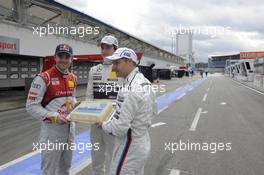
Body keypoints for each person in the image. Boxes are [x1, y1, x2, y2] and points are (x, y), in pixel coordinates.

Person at [97, 47, 157, 175]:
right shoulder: (145, 82)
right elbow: (153, 111)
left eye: (117, 63)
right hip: (142, 142)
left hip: (129, 147)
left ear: (129, 62)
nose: (113, 67)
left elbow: (119, 128)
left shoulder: (128, 89)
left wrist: (103, 124)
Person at [26, 44, 78, 175]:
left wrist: (77, 105)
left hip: (70, 130)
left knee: (65, 168)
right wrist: (53, 116)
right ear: (55, 57)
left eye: (67, 57)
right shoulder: (44, 78)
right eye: (61, 56)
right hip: (52, 133)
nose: (64, 60)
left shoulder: (73, 77)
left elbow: (72, 99)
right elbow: (31, 106)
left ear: (71, 59)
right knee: (49, 171)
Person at [86, 35, 122, 175]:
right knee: (96, 158)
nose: (104, 50)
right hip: (96, 122)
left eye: (108, 47)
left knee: (115, 158)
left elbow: (124, 99)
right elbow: (89, 96)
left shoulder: (121, 70)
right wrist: (91, 116)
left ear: (115, 49)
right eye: (102, 47)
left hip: (113, 123)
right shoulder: (94, 70)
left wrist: (114, 119)